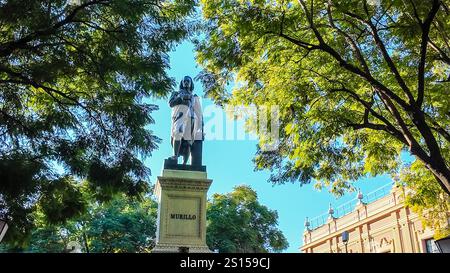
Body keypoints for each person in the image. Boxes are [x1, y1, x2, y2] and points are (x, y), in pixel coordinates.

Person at [168, 76, 203, 166]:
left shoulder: (194, 97)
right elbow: (171, 103)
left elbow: (199, 112)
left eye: (188, 81)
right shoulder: (176, 93)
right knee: (178, 133)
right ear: (182, 83)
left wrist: (201, 124)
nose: (186, 82)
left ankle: (185, 163)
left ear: (191, 83)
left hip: (191, 118)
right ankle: (175, 155)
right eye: (185, 81)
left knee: (188, 141)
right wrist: (181, 98)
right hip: (180, 116)